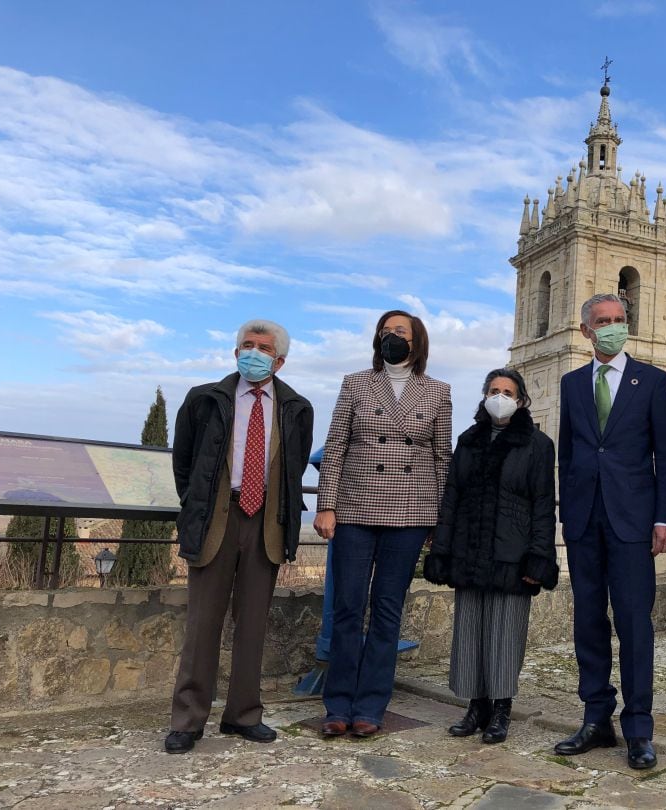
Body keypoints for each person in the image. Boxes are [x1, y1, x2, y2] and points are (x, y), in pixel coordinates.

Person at [165, 319, 314, 754]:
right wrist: (199, 505)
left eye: (263, 347)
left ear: (279, 360)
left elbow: (294, 466)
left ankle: (243, 715)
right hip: (217, 518)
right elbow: (185, 463)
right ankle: (188, 720)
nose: (253, 352)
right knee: (202, 624)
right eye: (246, 345)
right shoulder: (204, 399)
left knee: (253, 624)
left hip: (266, 520)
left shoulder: (296, 408)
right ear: (235, 353)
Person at [314, 309, 452, 739]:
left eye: (400, 331)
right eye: (385, 331)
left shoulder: (438, 391)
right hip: (354, 508)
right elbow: (335, 445)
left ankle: (372, 705)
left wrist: (440, 520)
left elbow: (441, 458)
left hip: (410, 513)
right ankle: (338, 704)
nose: (390, 336)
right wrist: (326, 505)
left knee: (388, 611)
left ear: (417, 342)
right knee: (348, 607)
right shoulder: (355, 382)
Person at [555, 293, 666, 770]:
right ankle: (595, 718)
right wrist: (568, 512)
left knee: (633, 623)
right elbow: (568, 454)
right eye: (602, 321)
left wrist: (664, 517)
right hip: (585, 518)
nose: (612, 327)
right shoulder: (570, 384)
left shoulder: (652, 380)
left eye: (619, 320)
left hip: (633, 520)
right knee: (587, 621)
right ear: (586, 330)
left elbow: (665, 455)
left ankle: (639, 728)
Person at [423, 368, 559, 744]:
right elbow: (452, 497)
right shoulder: (468, 441)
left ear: (521, 400)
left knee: (504, 634)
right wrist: (442, 550)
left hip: (511, 554)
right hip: (469, 550)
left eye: (508, 391)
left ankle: (501, 708)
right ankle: (475, 704)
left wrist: (539, 557)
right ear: (484, 395)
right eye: (494, 390)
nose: (501, 397)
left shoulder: (537, 444)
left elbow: (543, 505)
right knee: (469, 632)